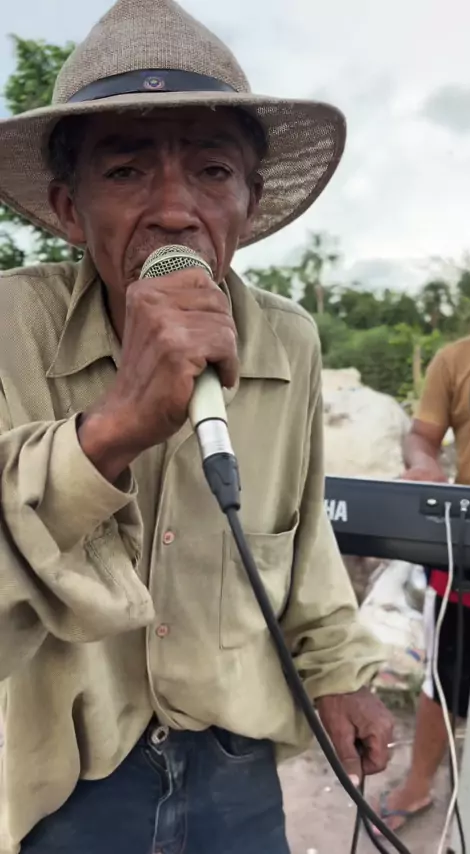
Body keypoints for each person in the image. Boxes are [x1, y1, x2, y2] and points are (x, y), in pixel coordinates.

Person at [0, 1, 393, 852]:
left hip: (234, 765)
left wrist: (340, 674)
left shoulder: (289, 339)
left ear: (249, 205)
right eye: (126, 170)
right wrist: (112, 429)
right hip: (66, 777)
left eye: (214, 170)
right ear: (69, 210)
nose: (176, 209)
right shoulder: (9, 328)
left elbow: (303, 543)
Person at [376, 336, 470, 832]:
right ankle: (417, 786)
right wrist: (424, 463)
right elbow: (422, 436)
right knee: (445, 677)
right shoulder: (457, 360)